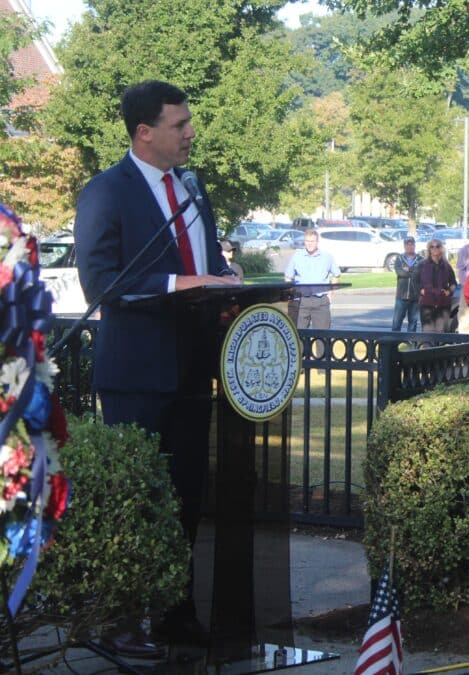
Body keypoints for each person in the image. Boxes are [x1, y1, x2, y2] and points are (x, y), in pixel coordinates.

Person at [74, 80, 242, 652]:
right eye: (180, 124)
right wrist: (183, 282)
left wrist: (231, 285)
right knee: (136, 499)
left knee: (184, 497)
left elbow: (210, 264)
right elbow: (102, 283)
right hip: (136, 376)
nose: (191, 132)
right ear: (144, 132)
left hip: (195, 371)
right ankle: (120, 622)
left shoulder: (195, 192)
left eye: (189, 122)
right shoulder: (105, 192)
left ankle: (175, 612)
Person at [284, 228, 340, 329]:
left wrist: (330, 293)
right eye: (307, 241)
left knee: (322, 339)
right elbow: (288, 277)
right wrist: (290, 295)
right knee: (299, 337)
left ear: (317, 242)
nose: (310, 244)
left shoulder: (327, 257)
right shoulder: (297, 256)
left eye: (312, 241)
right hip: (301, 301)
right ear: (304, 242)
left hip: (321, 302)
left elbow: (336, 275)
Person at [418, 238, 457, 332]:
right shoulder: (422, 265)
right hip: (427, 304)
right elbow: (415, 282)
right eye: (432, 246)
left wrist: (449, 292)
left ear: (441, 249)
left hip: (443, 305)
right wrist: (421, 290)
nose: (435, 248)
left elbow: (453, 283)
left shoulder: (446, 266)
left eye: (437, 246)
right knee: (428, 334)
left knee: (441, 334)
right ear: (429, 249)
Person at [391, 236, 421, 331]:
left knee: (413, 323)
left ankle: (411, 344)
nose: (410, 246)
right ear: (404, 246)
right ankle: (393, 344)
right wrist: (412, 271)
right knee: (397, 322)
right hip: (401, 296)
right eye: (407, 244)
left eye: (411, 244)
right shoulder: (399, 259)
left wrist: (408, 270)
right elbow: (400, 272)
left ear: (415, 245)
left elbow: (419, 273)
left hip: (415, 296)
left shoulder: (421, 259)